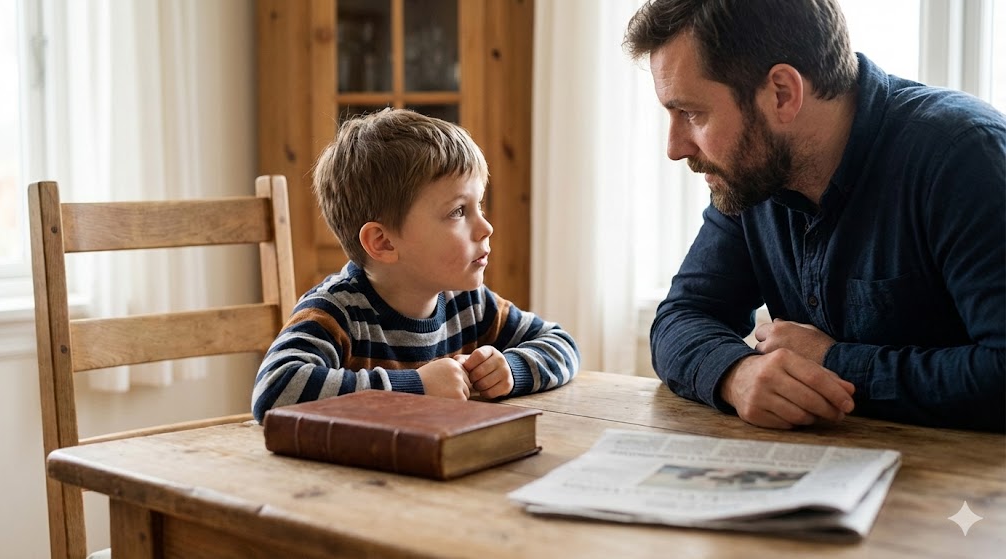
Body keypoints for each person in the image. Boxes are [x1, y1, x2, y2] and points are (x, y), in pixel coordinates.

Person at [623, 0, 1005, 431]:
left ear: (782, 93)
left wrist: (833, 362)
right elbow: (682, 316)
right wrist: (735, 374)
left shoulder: (964, 156)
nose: (675, 148)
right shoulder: (753, 177)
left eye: (692, 113)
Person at [252, 108, 579, 423]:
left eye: (478, 205)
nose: (486, 227)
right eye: (458, 212)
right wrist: (416, 387)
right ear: (384, 242)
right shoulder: (335, 313)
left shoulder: (469, 304)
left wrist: (512, 369)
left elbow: (561, 344)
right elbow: (275, 391)